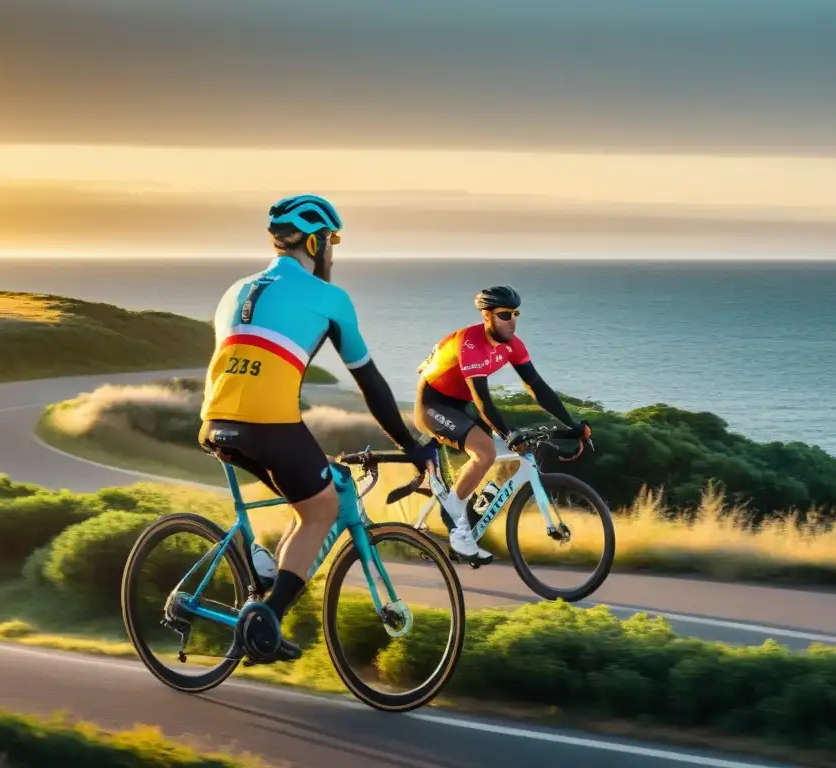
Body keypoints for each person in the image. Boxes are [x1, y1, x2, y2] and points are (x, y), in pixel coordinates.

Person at [198, 193, 437, 664]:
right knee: (323, 508)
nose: (333, 253)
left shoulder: (236, 290)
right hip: (269, 424)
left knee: (305, 499)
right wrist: (412, 445)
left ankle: (260, 593)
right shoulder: (331, 299)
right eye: (332, 242)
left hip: (213, 421)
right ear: (316, 241)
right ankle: (266, 620)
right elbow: (370, 382)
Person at [415, 285, 591, 563]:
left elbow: (537, 387)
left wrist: (572, 423)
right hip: (433, 404)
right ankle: (453, 519)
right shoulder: (470, 342)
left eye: (515, 314)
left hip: (460, 406)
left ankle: (466, 514)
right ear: (487, 316)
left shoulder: (513, 345)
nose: (512, 321)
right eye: (504, 315)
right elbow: (483, 400)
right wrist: (509, 433)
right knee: (486, 451)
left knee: (501, 459)